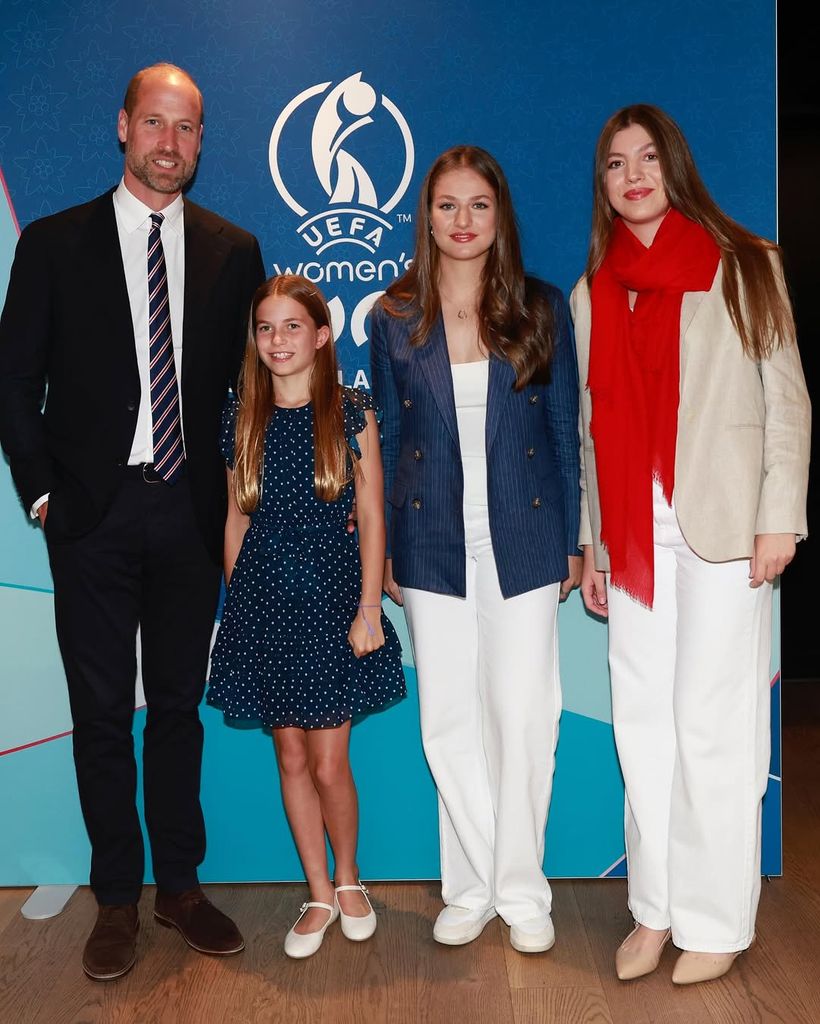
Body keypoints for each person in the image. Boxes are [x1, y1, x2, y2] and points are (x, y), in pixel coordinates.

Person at [0, 64, 265, 980]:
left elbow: (253, 396)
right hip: (92, 519)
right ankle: (117, 897)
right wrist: (43, 496)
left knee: (180, 714)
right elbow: (11, 382)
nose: (169, 143)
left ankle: (180, 888)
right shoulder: (52, 244)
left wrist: (240, 498)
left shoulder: (235, 251)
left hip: (190, 516)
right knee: (102, 715)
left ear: (200, 141)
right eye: (154, 122)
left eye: (186, 128)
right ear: (122, 127)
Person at [572, 104, 810, 985]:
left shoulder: (747, 266)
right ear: (601, 185)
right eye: (613, 164)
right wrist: (594, 542)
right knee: (642, 724)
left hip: (723, 529)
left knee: (714, 723)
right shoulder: (592, 290)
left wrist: (778, 513)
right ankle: (655, 908)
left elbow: (785, 397)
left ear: (675, 165)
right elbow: (592, 430)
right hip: (634, 536)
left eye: (646, 158)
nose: (631, 175)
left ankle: (715, 917)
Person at [370, 146, 581, 954]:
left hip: (525, 536)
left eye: (479, 205)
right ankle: (470, 887)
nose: (463, 221)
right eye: (448, 205)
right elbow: (383, 441)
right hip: (429, 540)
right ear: (426, 216)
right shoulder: (393, 318)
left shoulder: (541, 306)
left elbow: (563, 431)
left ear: (501, 217)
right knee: (447, 718)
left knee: (525, 715)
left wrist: (569, 542)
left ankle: (523, 890)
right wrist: (382, 549)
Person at [206, 274, 405, 958]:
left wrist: (369, 605)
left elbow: (373, 511)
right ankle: (318, 891)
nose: (278, 339)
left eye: (293, 326)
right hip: (264, 607)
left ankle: (351, 879)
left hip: (333, 604)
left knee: (328, 763)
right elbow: (235, 519)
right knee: (289, 754)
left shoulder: (351, 412)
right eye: (266, 327)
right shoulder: (240, 415)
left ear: (322, 335)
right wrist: (240, 612)